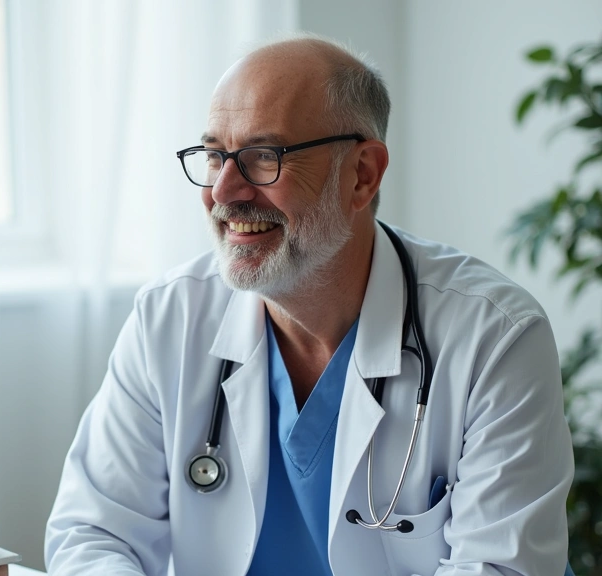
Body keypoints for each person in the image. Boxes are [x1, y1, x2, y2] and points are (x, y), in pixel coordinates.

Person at [44, 36, 574, 576]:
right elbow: (95, 533)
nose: (224, 192)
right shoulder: (169, 318)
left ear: (362, 174)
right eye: (214, 156)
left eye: (262, 157)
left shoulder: (496, 337)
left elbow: (502, 568)